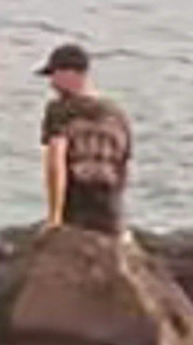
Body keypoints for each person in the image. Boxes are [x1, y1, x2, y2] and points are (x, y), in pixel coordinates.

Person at [38, 45, 137, 235]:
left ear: (71, 74)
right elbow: (123, 165)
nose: (51, 84)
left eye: (54, 75)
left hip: (77, 204)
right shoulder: (117, 115)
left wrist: (54, 218)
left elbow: (55, 162)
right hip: (111, 209)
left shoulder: (59, 110)